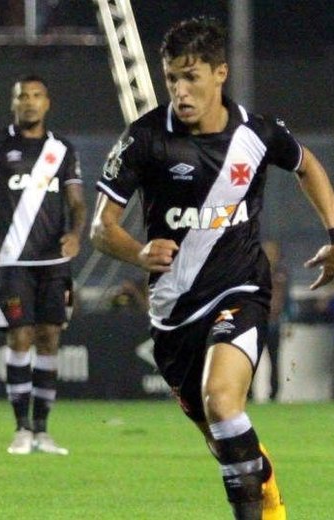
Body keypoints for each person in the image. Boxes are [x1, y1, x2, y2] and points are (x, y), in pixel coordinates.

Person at [90, 16, 334, 520]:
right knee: (223, 436)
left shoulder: (257, 133)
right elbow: (100, 227)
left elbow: (307, 164)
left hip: (240, 291)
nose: (180, 90)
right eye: (172, 78)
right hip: (173, 313)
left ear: (219, 73)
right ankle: (264, 486)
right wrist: (138, 252)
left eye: (191, 76)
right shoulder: (144, 139)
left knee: (223, 402)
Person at [0, 74, 86, 456]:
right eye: (22, 96)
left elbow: (77, 202)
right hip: (11, 260)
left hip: (54, 262)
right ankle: (21, 428)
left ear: (47, 103)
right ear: (13, 103)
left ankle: (44, 430)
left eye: (36, 96)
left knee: (49, 339)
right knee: (19, 337)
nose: (29, 102)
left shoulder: (62, 149)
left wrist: (77, 233)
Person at [261, 241, 289, 402]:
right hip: (257, 321)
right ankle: (248, 392)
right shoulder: (255, 272)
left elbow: (287, 299)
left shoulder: (282, 273)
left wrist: (288, 321)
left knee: (274, 360)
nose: (270, 255)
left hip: (274, 322)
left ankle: (274, 393)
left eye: (272, 252)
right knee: (251, 360)